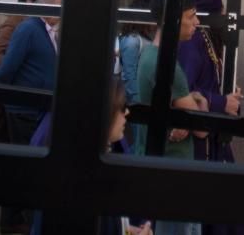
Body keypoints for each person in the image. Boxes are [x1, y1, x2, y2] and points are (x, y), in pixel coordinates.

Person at [28, 80, 153, 235]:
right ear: (103, 116)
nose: (127, 112)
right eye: (121, 107)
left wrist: (128, 230)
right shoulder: (77, 177)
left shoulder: (108, 147)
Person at [176, 0, 244, 235]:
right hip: (197, 141)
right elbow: (184, 91)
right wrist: (220, 102)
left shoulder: (205, 37)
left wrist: (229, 97)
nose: (224, 12)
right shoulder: (191, 40)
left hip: (213, 134)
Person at [136, 0, 208, 235]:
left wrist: (189, 106)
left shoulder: (149, 54)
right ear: (173, 20)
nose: (197, 22)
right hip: (172, 170)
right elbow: (201, 129)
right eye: (192, 15)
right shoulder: (165, 65)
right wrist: (202, 104)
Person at [0, 0, 59, 234]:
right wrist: (14, 99)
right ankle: (24, 223)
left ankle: (16, 221)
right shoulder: (28, 29)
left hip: (40, 111)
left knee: (26, 168)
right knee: (27, 169)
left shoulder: (47, 31)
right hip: (23, 111)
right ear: (45, 7)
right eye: (57, 7)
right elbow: (6, 71)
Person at [120, 0, 154, 146]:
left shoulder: (143, 38)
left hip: (146, 99)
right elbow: (129, 75)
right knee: (139, 141)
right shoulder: (132, 40)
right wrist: (138, 102)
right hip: (138, 102)